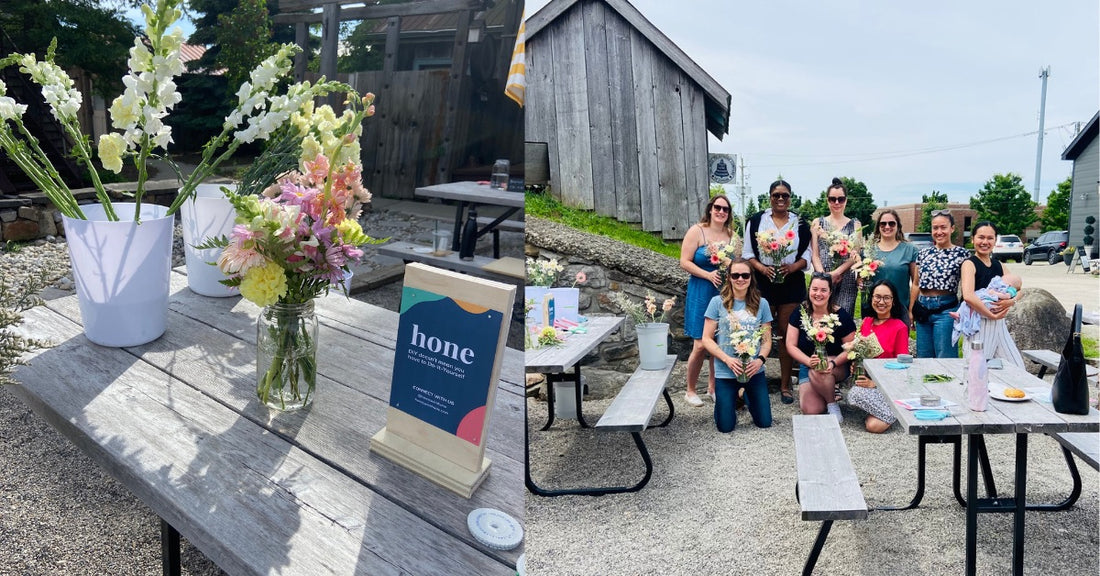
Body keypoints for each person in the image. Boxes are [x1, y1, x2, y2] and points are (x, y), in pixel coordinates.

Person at [742, 180, 812, 405]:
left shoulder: (800, 222)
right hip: (763, 281)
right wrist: (762, 268)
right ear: (769, 197)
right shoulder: (756, 221)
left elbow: (808, 255)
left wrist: (792, 267)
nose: (780, 199)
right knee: (757, 332)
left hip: (791, 282)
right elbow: (747, 253)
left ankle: (785, 384)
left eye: (785, 195)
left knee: (786, 333)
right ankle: (750, 381)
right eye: (776, 195)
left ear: (791, 197)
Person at [702, 259, 773, 433]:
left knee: (764, 422)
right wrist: (727, 360)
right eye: (735, 275)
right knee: (725, 427)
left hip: (753, 370)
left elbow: (766, 341)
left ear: (751, 278)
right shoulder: (717, 302)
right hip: (726, 370)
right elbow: (706, 339)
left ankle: (743, 394)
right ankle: (728, 400)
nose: (740, 279)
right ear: (729, 277)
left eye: (745, 275)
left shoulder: (762, 304)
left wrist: (760, 360)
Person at [679, 194, 735, 407]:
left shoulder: (730, 235)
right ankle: (690, 390)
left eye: (726, 209)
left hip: (722, 292)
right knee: (701, 343)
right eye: (718, 208)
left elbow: (736, 265)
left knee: (719, 341)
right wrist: (707, 274)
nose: (721, 212)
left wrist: (724, 260)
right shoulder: (697, 231)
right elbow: (684, 261)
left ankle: (713, 387)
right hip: (701, 289)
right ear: (710, 209)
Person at [786, 273, 856, 422]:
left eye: (823, 290)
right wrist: (807, 361)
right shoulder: (800, 312)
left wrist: (833, 363)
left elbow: (851, 347)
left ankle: (832, 404)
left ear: (830, 292)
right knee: (811, 410)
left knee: (821, 366)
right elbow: (790, 345)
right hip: (808, 364)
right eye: (815, 289)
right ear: (809, 290)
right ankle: (826, 389)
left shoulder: (841, 315)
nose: (818, 294)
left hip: (836, 364)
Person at [847, 280, 910, 433]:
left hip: (888, 385)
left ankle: (893, 411)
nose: (881, 302)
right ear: (872, 298)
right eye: (877, 297)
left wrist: (875, 384)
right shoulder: (867, 322)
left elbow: (903, 368)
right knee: (853, 395)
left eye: (887, 298)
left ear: (893, 301)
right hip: (866, 380)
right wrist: (855, 364)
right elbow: (860, 352)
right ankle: (890, 411)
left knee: (874, 426)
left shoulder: (899, 327)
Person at [959, 221, 1025, 367]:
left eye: (990, 238)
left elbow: (1019, 290)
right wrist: (990, 315)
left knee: (1016, 367)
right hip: (979, 323)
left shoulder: (998, 265)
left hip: (999, 323)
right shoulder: (969, 264)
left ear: (995, 240)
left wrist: (1010, 302)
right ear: (973, 239)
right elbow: (968, 296)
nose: (985, 242)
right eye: (981, 237)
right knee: (976, 369)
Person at [913, 210, 969, 358]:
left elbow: (967, 285)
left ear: (952, 228)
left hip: (946, 309)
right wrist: (911, 310)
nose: (939, 232)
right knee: (923, 357)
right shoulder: (923, 253)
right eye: (935, 228)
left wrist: (963, 310)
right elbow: (916, 284)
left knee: (945, 357)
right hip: (923, 308)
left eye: (943, 227)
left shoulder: (962, 254)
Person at [810, 178, 860, 316]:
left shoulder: (855, 224)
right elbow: (814, 254)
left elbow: (855, 255)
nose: (836, 203)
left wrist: (837, 272)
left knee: (843, 320)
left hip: (846, 280)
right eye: (832, 199)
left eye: (841, 199)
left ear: (846, 200)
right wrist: (825, 276)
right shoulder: (817, 223)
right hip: (821, 279)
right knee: (820, 319)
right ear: (827, 200)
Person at [863, 209, 918, 325]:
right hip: (874, 308)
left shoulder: (909, 250)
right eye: (883, 223)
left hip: (900, 308)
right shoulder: (869, 250)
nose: (887, 227)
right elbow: (862, 279)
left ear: (898, 226)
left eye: (891, 223)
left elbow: (915, 283)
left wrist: (912, 309)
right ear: (878, 226)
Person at [951, 271, 1021, 346]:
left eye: (1003, 280)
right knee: (966, 303)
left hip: (992, 303)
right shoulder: (969, 264)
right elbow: (968, 297)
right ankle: (959, 314)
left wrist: (998, 295)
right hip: (986, 299)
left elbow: (1009, 295)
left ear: (1010, 284)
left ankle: (968, 318)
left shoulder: (1011, 289)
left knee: (979, 304)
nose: (1001, 280)